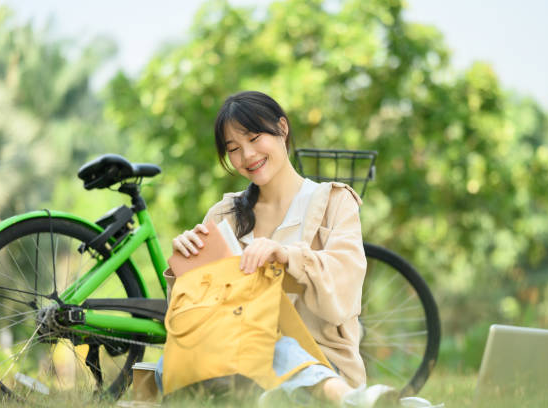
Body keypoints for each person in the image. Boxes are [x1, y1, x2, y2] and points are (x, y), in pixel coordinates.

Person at [156, 91, 397, 407]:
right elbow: (192, 319)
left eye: (255, 138)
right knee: (171, 362)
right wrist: (185, 265)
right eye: (234, 149)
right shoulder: (223, 214)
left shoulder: (334, 202)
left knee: (271, 344)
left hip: (319, 363)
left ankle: (344, 399)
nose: (247, 155)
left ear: (282, 128)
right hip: (231, 362)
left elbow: (346, 284)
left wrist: (289, 257)